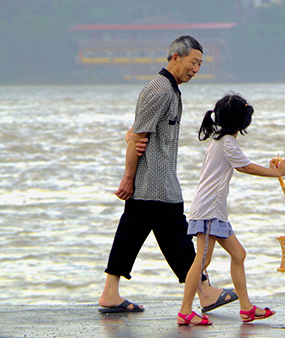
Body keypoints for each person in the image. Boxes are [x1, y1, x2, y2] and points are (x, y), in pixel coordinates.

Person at [98, 35, 237, 314]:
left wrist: (130, 144)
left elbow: (136, 131)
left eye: (200, 64)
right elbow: (138, 133)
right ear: (175, 57)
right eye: (193, 62)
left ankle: (110, 292)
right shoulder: (161, 90)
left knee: (134, 234)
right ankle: (205, 291)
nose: (196, 69)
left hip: (154, 183)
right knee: (177, 236)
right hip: (156, 184)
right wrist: (127, 178)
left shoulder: (169, 89)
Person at [177, 93, 285, 325]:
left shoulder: (220, 140)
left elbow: (244, 164)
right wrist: (278, 173)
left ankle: (246, 308)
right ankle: (185, 311)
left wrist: (271, 169)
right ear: (243, 122)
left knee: (238, 254)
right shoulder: (227, 141)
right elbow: (245, 167)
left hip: (214, 210)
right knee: (202, 261)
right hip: (209, 210)